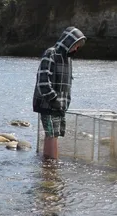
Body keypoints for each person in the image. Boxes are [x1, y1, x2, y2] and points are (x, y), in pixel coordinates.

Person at [33, 26, 86, 160]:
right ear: (68, 42)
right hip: (48, 103)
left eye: (78, 47)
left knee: (54, 134)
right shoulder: (51, 53)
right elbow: (43, 79)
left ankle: (49, 167)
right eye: (75, 45)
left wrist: (62, 103)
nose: (76, 49)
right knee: (51, 134)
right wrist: (53, 99)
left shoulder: (68, 58)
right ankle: (51, 167)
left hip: (59, 105)